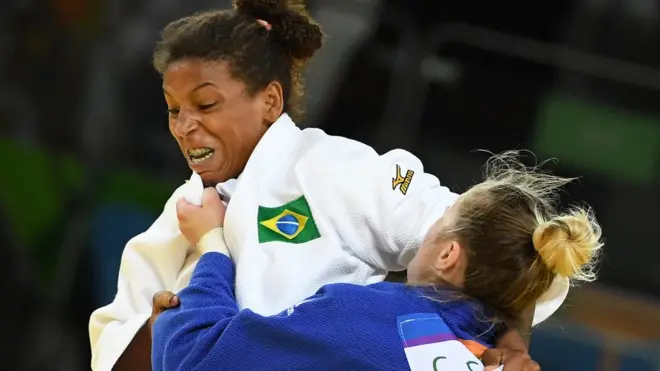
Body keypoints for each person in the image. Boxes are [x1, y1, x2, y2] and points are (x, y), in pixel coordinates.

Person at [88, 1, 566, 370]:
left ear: (269, 102)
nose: (185, 125)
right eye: (174, 109)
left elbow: (505, 245)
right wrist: (156, 334)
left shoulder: (342, 170)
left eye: (206, 104)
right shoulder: (182, 217)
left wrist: (512, 338)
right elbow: (113, 345)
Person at [150, 152, 603, 371]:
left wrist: (210, 244)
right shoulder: (491, 358)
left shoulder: (368, 324)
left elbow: (198, 358)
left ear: (448, 254)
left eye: (443, 216)